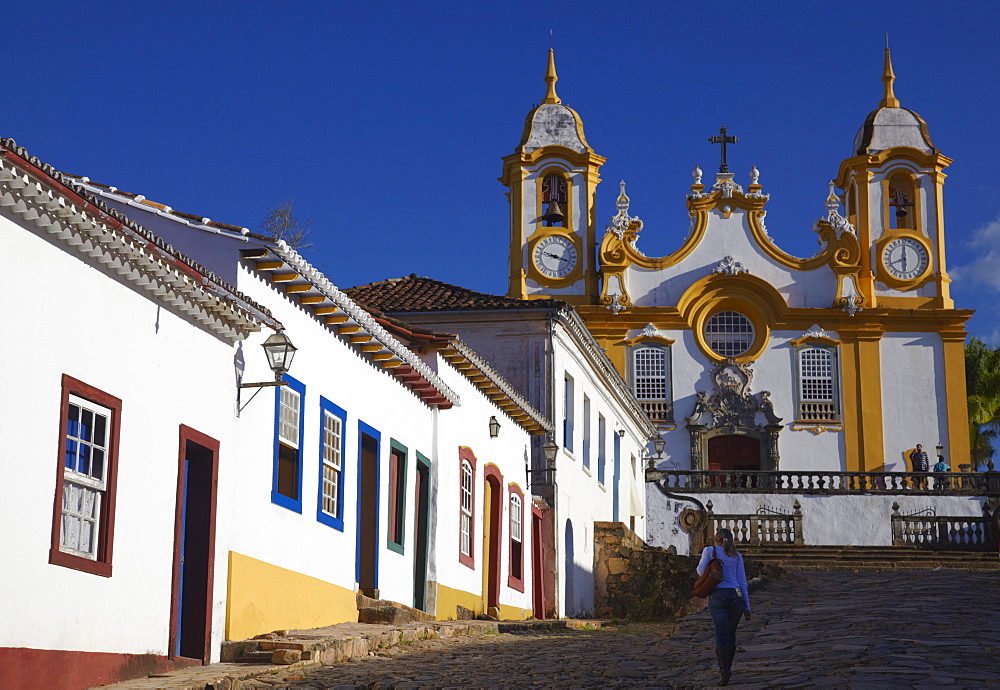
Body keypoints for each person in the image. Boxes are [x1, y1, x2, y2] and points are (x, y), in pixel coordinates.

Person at [697, 528, 751, 686]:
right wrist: (747, 607)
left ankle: (724, 673)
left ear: (716, 539)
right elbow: (742, 583)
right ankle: (728, 668)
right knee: (731, 635)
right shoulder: (737, 556)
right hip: (736, 597)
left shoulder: (710, 550)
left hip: (718, 596)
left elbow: (701, 571)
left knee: (721, 635)